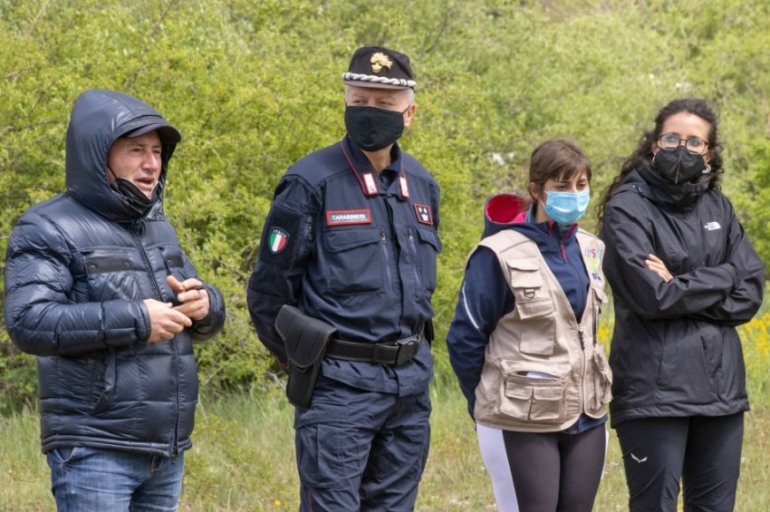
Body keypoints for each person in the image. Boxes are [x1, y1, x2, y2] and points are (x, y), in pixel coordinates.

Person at [4, 89, 226, 511]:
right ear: (97, 154)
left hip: (165, 450)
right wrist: (138, 320)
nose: (151, 164)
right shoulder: (46, 226)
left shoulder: (158, 227)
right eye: (137, 150)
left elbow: (202, 313)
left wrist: (206, 306)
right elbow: (29, 321)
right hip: (94, 448)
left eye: (157, 151)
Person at [247, 46, 441, 511]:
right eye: (360, 101)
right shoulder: (310, 181)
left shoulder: (423, 184)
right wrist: (310, 363)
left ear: (409, 113)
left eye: (384, 104)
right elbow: (269, 294)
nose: (370, 113)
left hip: (409, 390)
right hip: (338, 392)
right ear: (346, 102)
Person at [597, 98, 764, 511]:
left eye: (694, 142)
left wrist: (687, 283)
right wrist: (724, 275)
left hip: (721, 390)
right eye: (672, 138)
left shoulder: (717, 206)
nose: (681, 148)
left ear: (708, 153)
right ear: (654, 144)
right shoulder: (626, 208)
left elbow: (749, 291)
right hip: (654, 391)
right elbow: (653, 296)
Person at [447, 138, 612, 512]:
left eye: (581, 185)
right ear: (537, 190)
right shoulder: (498, 253)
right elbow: (464, 339)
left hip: (587, 415)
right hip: (519, 418)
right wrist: (485, 403)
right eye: (561, 186)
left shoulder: (591, 248)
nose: (574, 195)